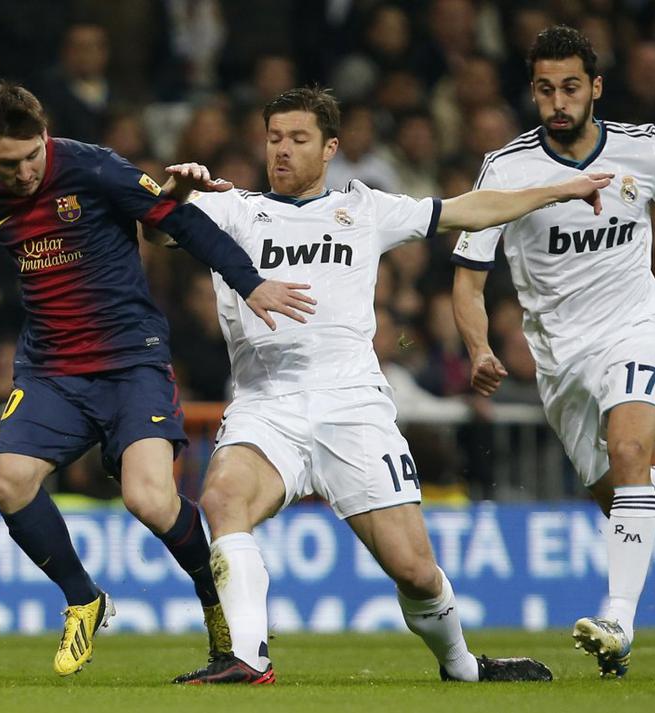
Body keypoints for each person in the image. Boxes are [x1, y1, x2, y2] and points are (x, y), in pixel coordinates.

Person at [161, 86, 612, 685]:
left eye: (298, 139)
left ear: (330, 148)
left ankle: (462, 666)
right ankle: (247, 658)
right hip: (266, 406)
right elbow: (159, 230)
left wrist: (558, 189)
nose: (282, 150)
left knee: (416, 571)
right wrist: (177, 193)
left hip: (353, 408)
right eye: (274, 139)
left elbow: (468, 209)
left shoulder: (366, 208)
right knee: (223, 500)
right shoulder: (231, 209)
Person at [0, 82, 315, 677]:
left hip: (130, 361)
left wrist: (251, 282)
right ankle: (83, 598)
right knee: (8, 478)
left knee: (149, 498)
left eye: (33, 155)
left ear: (45, 135)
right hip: (51, 370)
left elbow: (180, 221)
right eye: (9, 163)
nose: (25, 172)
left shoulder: (95, 168)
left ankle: (215, 601)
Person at [450, 26, 655, 678]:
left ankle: (617, 624)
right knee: (620, 497)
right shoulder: (506, 170)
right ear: (533, 92)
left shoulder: (644, 149)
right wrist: (478, 345)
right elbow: (468, 278)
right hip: (559, 357)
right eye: (545, 89)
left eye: (570, 87)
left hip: (635, 322)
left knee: (630, 451)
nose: (558, 101)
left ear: (595, 88)